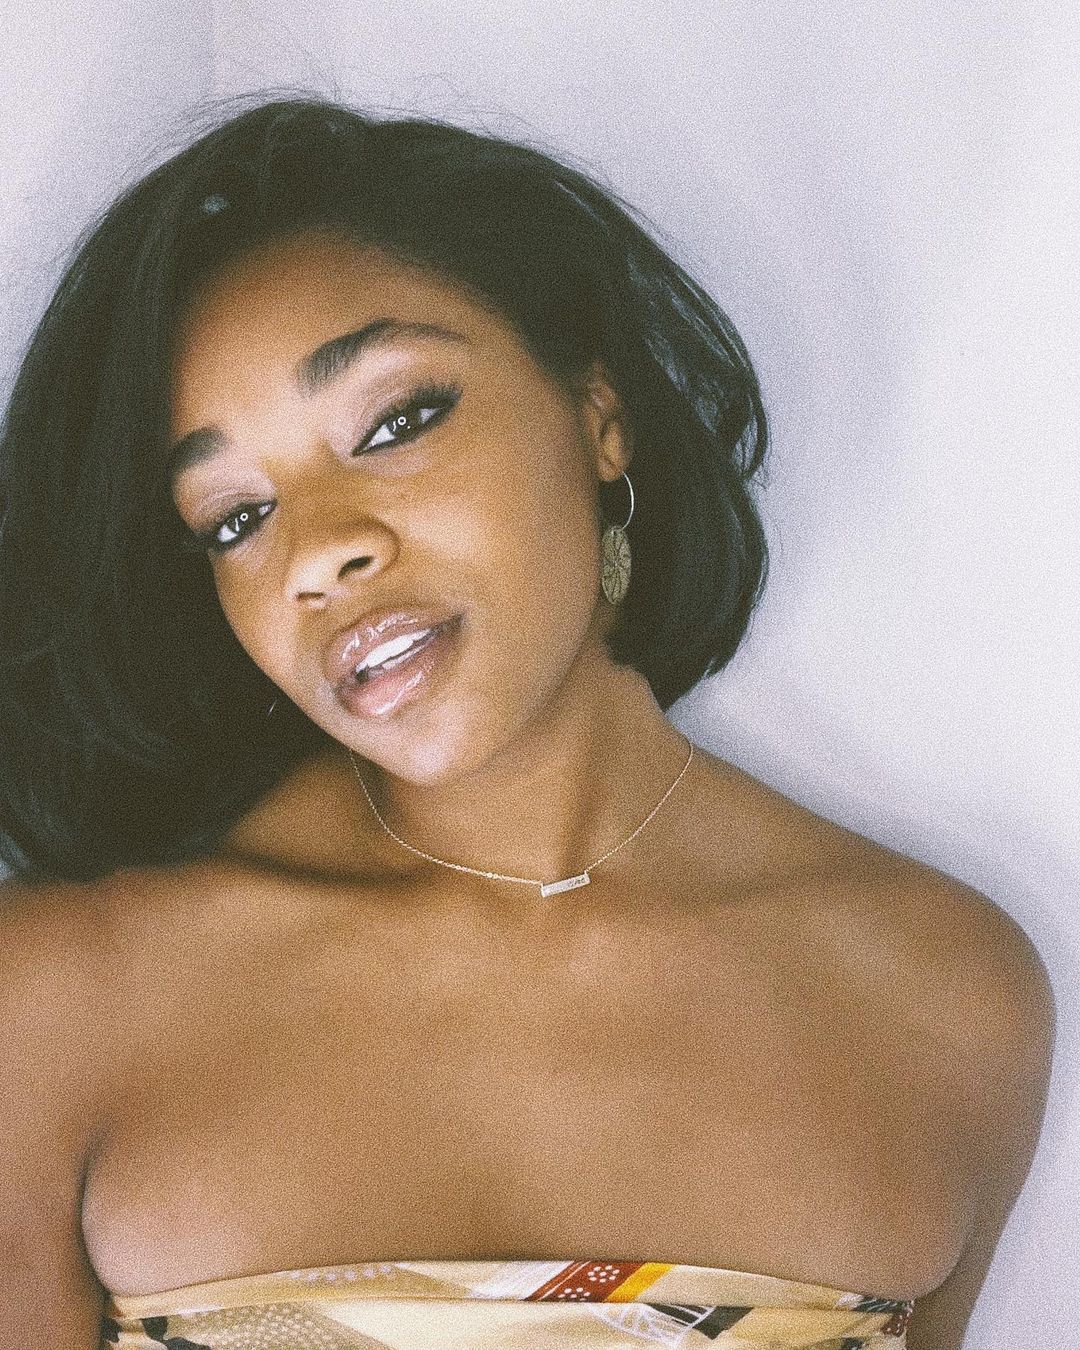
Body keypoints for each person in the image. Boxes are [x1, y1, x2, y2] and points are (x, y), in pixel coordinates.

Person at [0, 96, 1054, 1350]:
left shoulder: (944, 999)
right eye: (236, 517)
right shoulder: (60, 998)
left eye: (395, 423)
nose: (319, 553)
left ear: (599, 418)